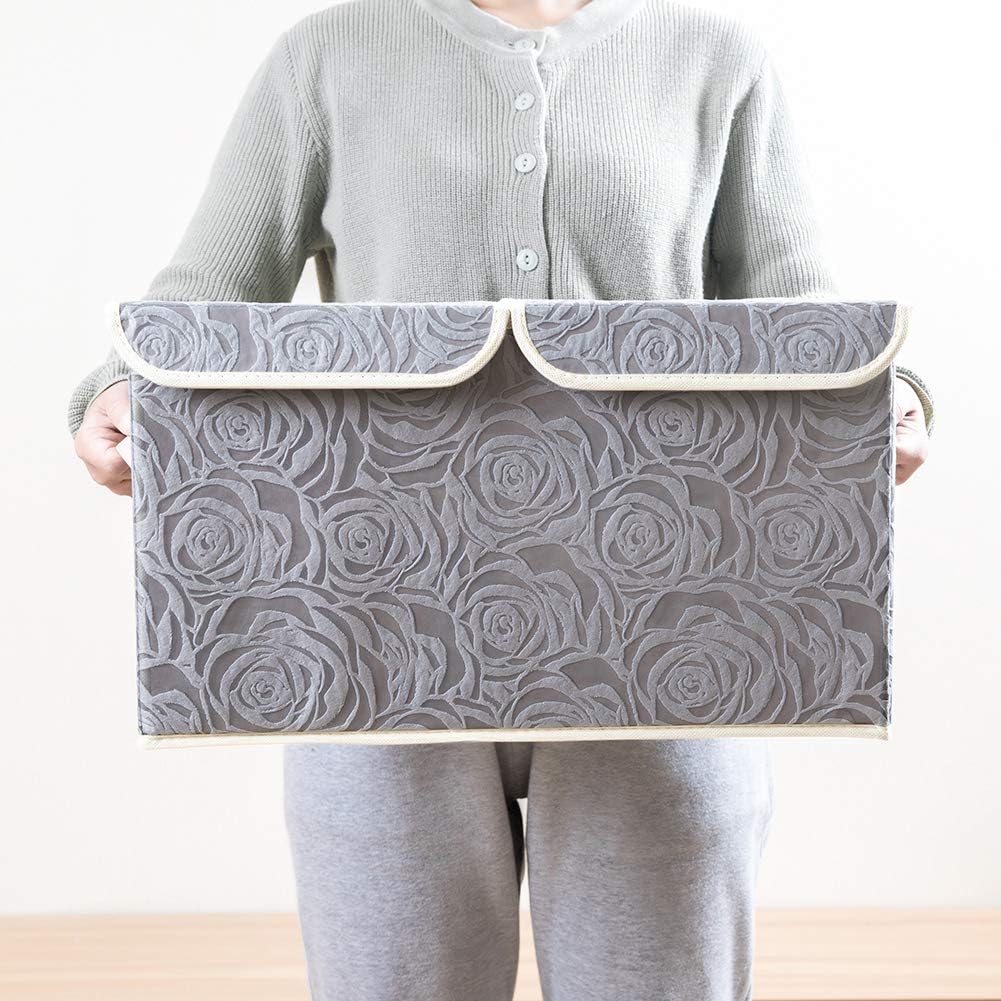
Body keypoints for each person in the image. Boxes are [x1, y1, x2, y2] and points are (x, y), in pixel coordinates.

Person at [70, 1, 932, 998]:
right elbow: (205, 293)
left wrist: (888, 400)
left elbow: (797, 305)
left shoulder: (714, 56)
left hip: (666, 628)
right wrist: (114, 391)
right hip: (378, 630)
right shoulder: (327, 55)